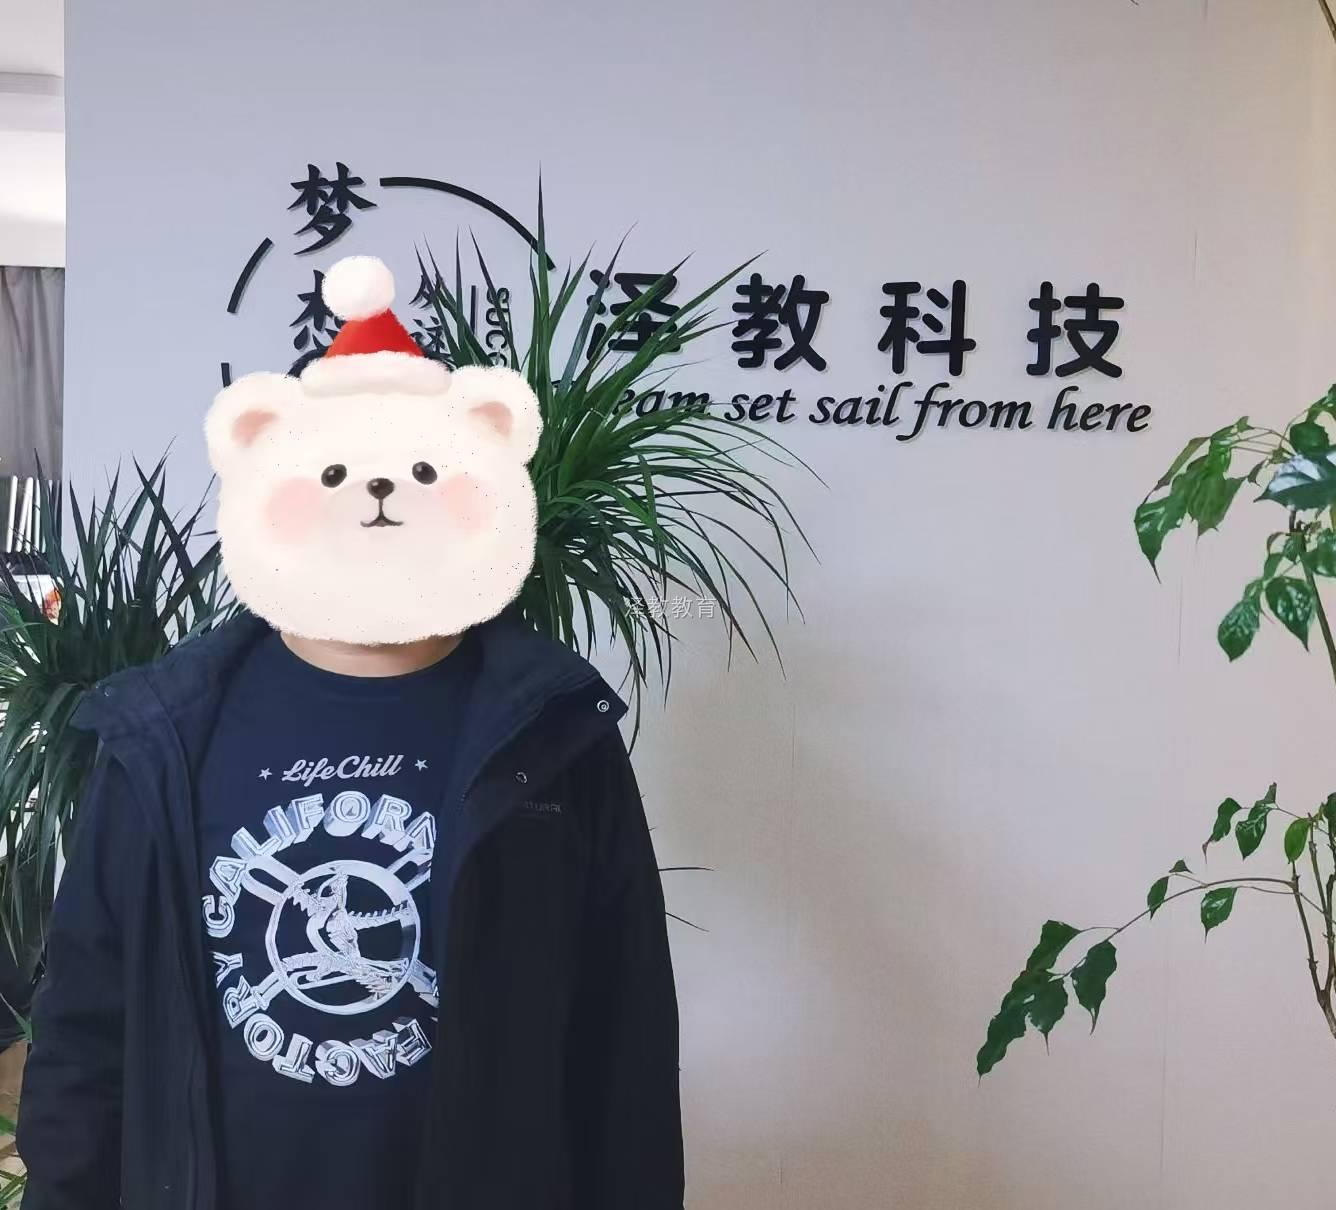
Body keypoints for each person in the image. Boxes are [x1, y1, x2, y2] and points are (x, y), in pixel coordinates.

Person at [17, 256, 685, 1210]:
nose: (377, 491)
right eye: (333, 474)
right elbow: (86, 1025)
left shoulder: (556, 735)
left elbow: (623, 1033)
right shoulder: (159, 735)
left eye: (423, 472)